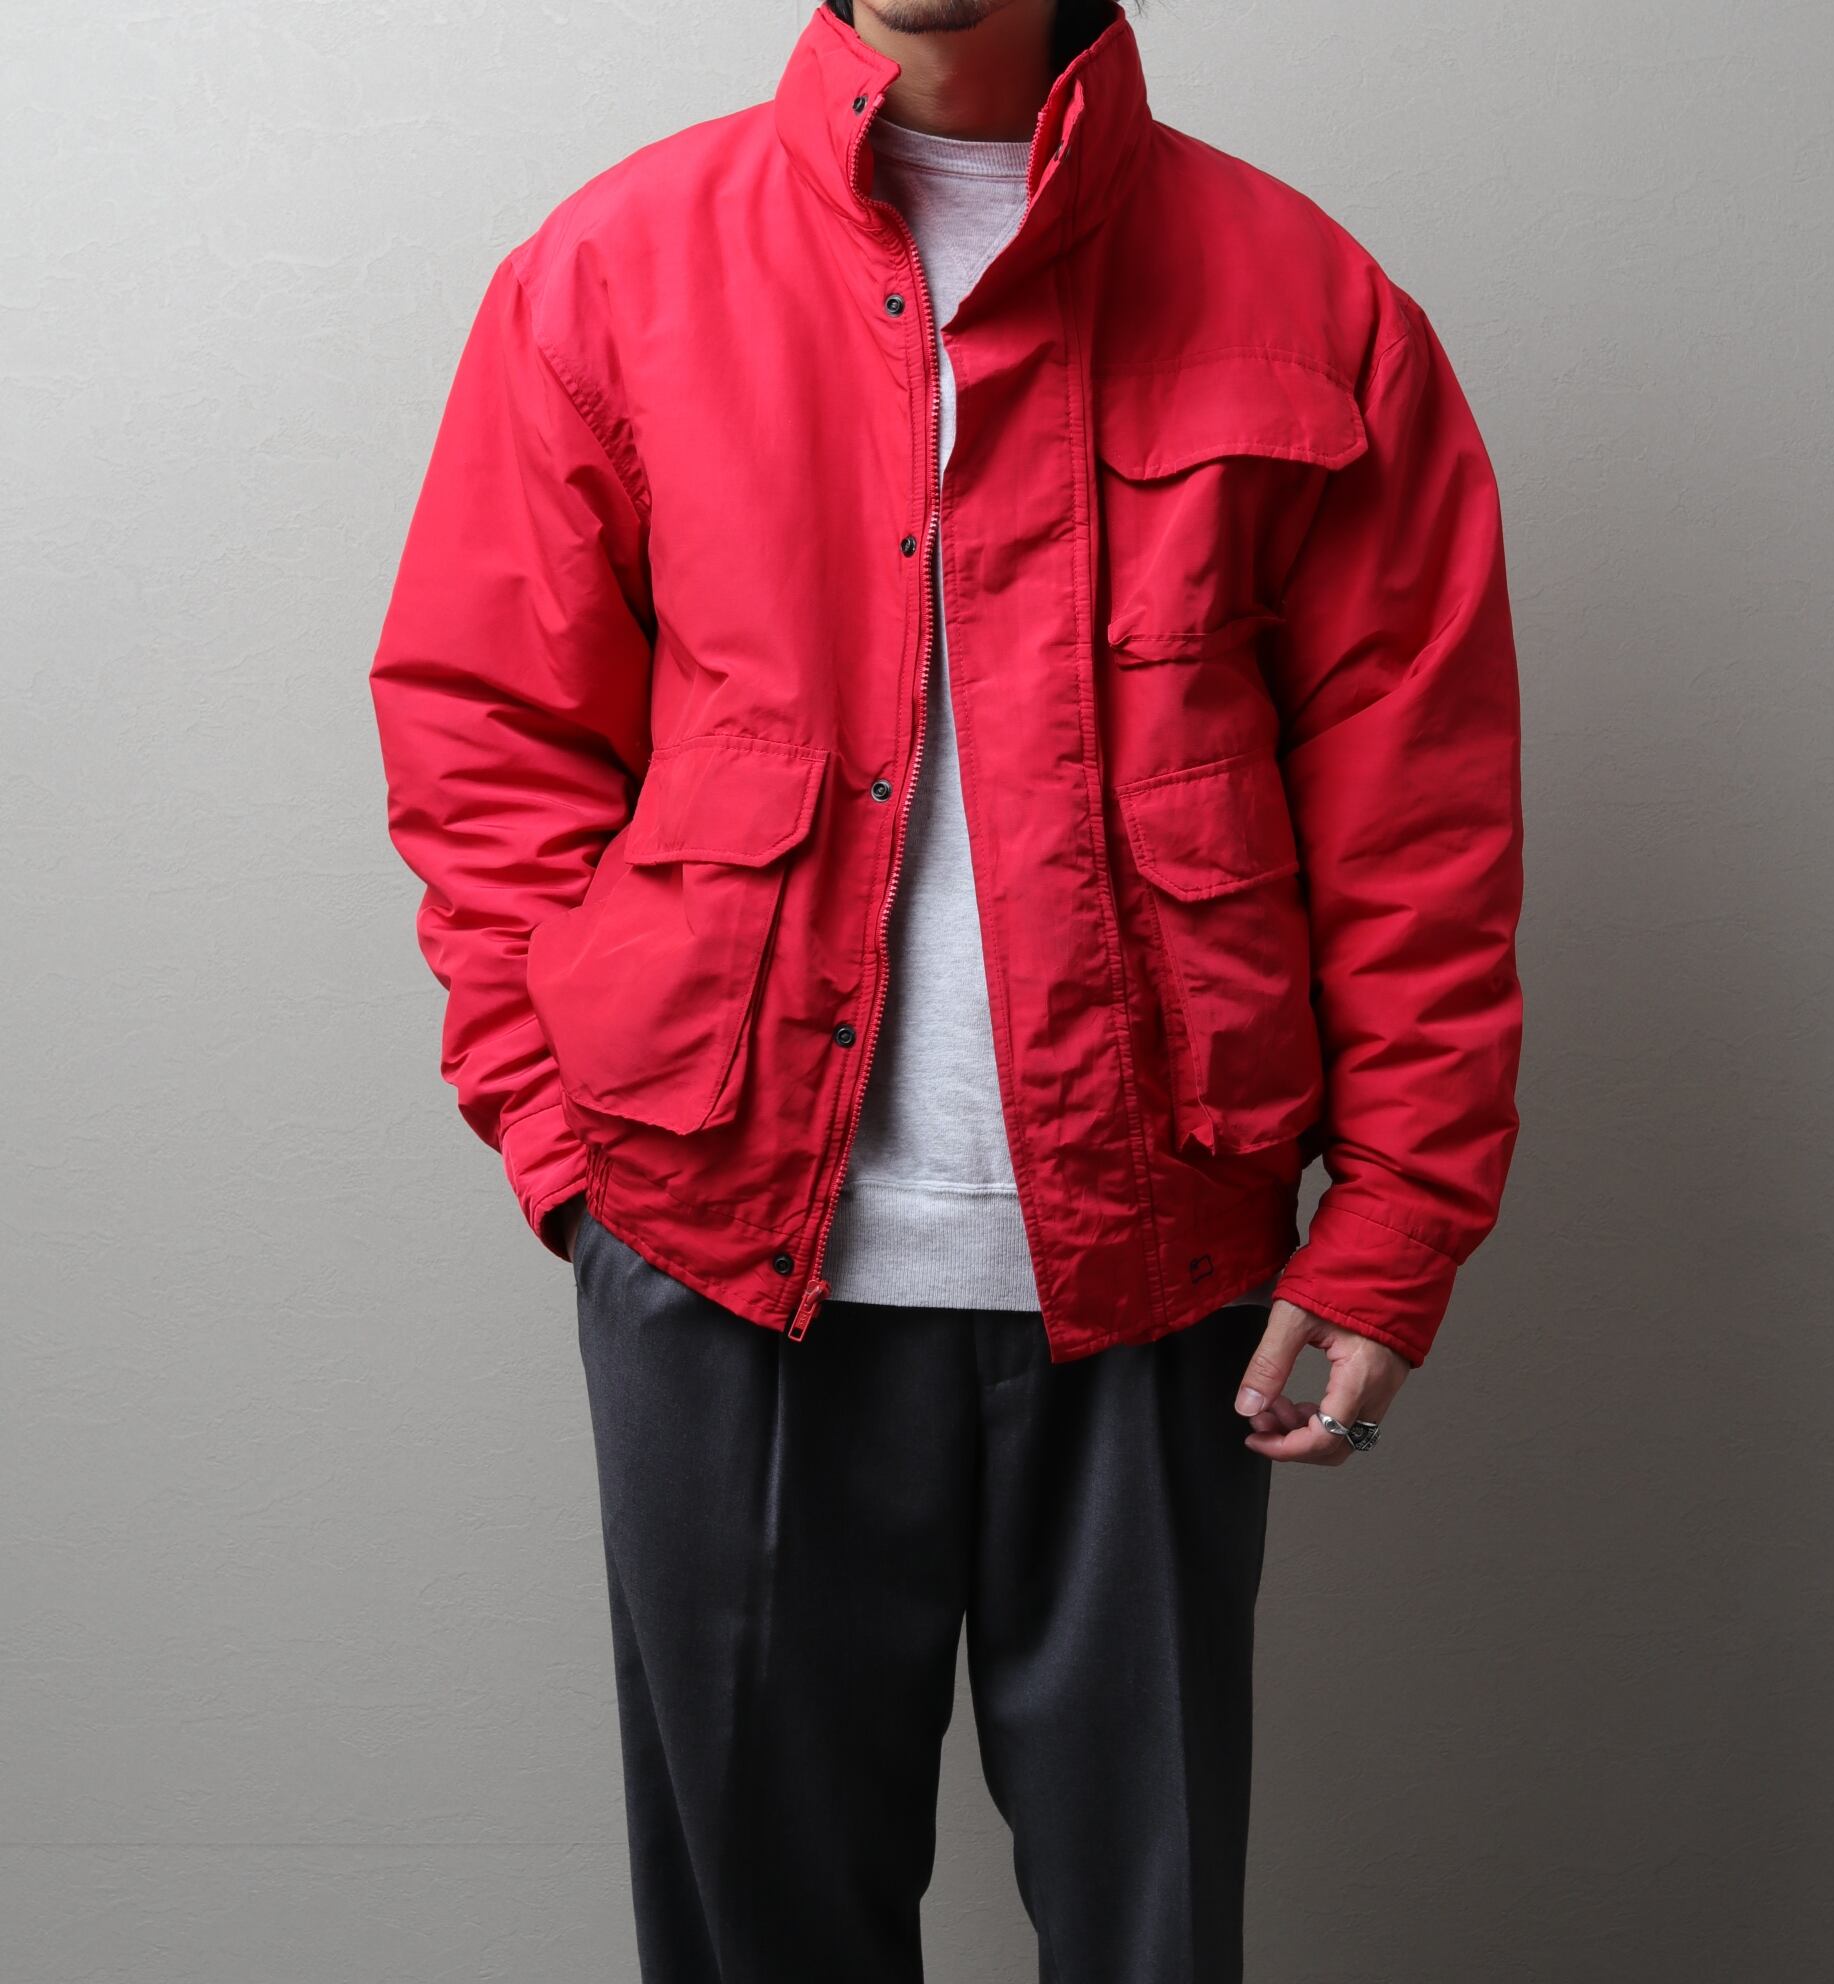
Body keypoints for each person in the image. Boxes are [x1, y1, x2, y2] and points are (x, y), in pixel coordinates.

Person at [368, 1, 1523, 1975]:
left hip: (1162, 1266)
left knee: (1150, 1931)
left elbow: (1415, 801)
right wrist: (567, 1148)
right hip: (719, 1255)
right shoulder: (612, 272)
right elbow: (489, 739)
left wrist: (1399, 1215)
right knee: (762, 1939)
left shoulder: (1310, 303)